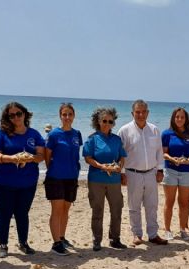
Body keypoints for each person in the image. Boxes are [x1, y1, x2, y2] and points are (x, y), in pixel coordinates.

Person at [0, 102, 44, 257]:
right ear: (7, 117)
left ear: (24, 114)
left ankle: (23, 243)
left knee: (22, 213)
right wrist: (11, 158)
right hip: (2, 181)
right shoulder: (1, 133)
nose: (16, 117)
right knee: (4, 213)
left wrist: (31, 157)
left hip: (27, 182)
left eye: (18, 113)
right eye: (11, 115)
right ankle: (3, 245)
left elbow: (41, 156)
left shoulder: (34, 134)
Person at [117, 99, 166, 246]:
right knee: (134, 206)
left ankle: (153, 234)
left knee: (152, 205)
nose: (141, 114)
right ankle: (137, 235)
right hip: (132, 173)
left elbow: (159, 151)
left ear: (148, 113)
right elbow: (120, 154)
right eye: (138, 112)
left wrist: (160, 170)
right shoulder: (124, 131)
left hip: (151, 173)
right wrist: (122, 173)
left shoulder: (154, 130)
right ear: (133, 113)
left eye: (144, 111)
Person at [83, 107, 127, 251]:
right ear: (98, 121)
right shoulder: (92, 139)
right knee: (97, 210)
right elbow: (88, 158)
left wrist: (119, 167)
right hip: (96, 180)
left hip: (114, 181)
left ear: (113, 123)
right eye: (104, 121)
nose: (107, 123)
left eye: (110, 121)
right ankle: (97, 240)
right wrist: (102, 166)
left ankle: (115, 239)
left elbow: (122, 157)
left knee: (116, 210)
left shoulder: (117, 139)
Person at [45, 103, 82, 255]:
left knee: (66, 209)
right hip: (56, 177)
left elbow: (75, 155)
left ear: (74, 116)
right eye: (64, 114)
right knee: (57, 209)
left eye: (70, 114)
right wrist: (53, 170)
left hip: (72, 177)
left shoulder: (77, 134)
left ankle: (62, 236)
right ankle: (56, 244)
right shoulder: (54, 134)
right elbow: (47, 156)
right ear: (60, 116)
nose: (67, 117)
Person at [161, 107, 189, 241]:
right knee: (169, 202)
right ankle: (167, 230)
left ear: (186, 119)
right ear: (173, 118)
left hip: (187, 171)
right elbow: (164, 153)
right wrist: (172, 159)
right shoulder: (166, 134)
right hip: (170, 170)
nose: (179, 119)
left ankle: (183, 229)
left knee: (184, 203)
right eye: (177, 117)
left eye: (182, 117)